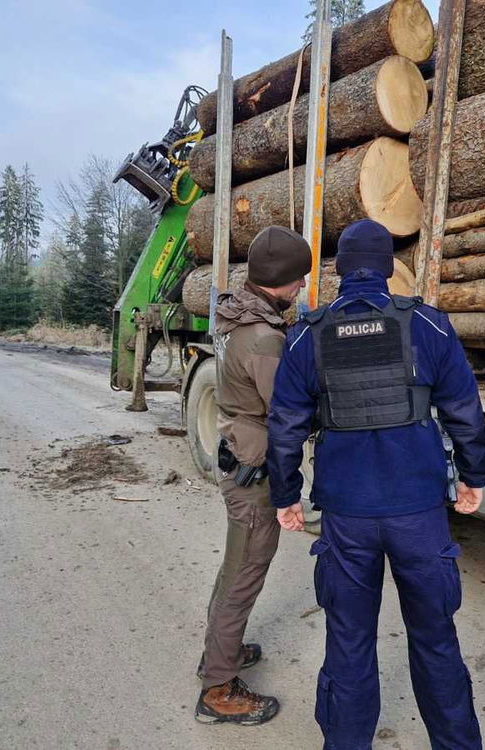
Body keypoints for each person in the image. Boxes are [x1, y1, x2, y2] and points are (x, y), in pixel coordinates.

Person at [266, 219, 485, 749]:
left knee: (348, 645)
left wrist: (286, 495)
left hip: (347, 518)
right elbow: (465, 411)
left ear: (340, 270)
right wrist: (473, 476)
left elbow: (284, 428)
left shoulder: (306, 335)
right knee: (436, 641)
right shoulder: (430, 326)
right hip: (419, 515)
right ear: (389, 268)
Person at [195, 225, 312, 726]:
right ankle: (218, 689)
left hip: (236, 452)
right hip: (253, 470)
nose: (302, 287)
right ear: (281, 279)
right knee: (243, 575)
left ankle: (222, 652)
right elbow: (286, 411)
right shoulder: (264, 339)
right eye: (299, 279)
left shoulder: (233, 316)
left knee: (236, 568)